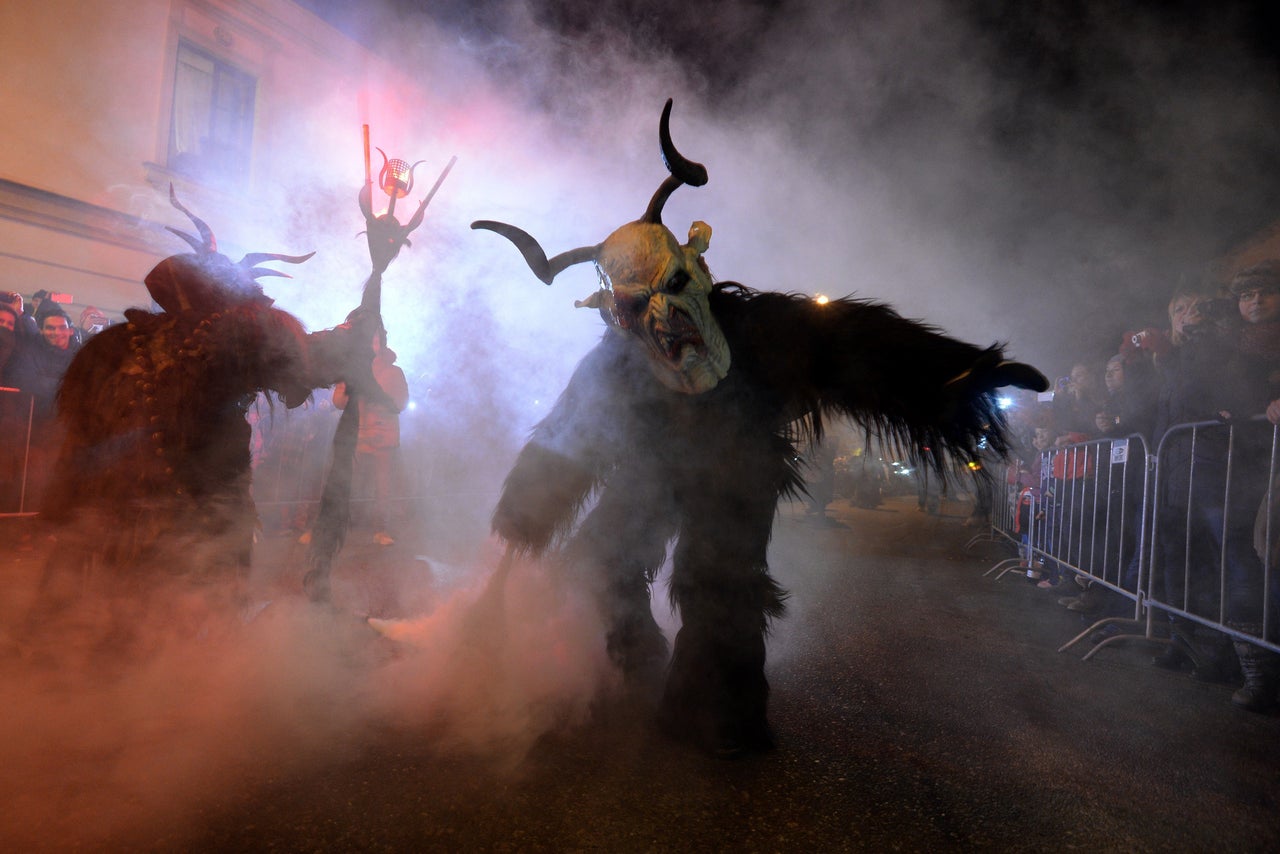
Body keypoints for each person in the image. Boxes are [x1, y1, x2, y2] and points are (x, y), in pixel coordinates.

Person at [332, 310, 409, 546]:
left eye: (376, 339)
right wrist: (350, 392)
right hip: (355, 436)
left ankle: (381, 529)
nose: (371, 344)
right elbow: (337, 401)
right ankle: (339, 527)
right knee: (346, 481)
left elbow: (401, 403)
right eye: (368, 339)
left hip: (382, 439)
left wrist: (378, 399)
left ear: (382, 342)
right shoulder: (352, 370)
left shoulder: (394, 372)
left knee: (382, 486)